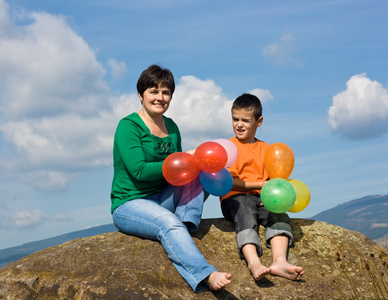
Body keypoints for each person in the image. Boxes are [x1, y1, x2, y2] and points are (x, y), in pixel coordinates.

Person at [110, 64, 232, 292]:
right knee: (168, 223)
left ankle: (185, 223)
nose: (160, 97)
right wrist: (185, 158)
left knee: (200, 169)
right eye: (153, 92)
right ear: (140, 95)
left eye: (165, 92)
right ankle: (206, 273)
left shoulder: (172, 127)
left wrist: (193, 161)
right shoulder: (128, 126)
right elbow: (140, 171)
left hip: (164, 197)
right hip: (131, 203)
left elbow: (181, 174)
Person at [220, 93, 304, 282]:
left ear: (259, 121)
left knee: (278, 215)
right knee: (245, 214)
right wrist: (260, 184)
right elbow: (231, 182)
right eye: (235, 119)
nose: (239, 124)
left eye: (245, 120)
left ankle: (280, 261)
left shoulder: (267, 149)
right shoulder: (230, 147)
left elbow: (275, 180)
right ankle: (253, 262)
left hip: (263, 197)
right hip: (235, 197)